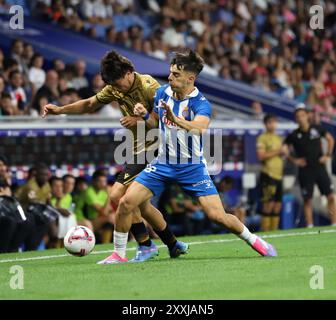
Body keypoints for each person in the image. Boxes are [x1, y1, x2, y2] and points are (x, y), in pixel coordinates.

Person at [98, 50, 277, 264]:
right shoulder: (162, 94)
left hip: (192, 167)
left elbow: (199, 127)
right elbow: (155, 123)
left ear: (190, 79)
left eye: (175, 75)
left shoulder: (200, 103)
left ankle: (255, 240)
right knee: (125, 202)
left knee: (217, 216)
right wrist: (145, 115)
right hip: (162, 163)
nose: (170, 77)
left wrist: (176, 119)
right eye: (170, 73)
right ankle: (119, 254)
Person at [42, 50, 187, 262]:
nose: (117, 88)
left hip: (157, 147)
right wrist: (59, 110)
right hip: (138, 149)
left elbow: (161, 122)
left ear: (129, 73)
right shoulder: (114, 87)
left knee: (117, 196)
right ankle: (173, 244)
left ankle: (144, 245)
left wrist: (137, 120)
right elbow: (90, 104)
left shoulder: (150, 87)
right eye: (113, 85)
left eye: (119, 83)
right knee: (142, 206)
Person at [284, 107, 336, 227]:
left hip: (319, 167)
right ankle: (310, 225)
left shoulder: (316, 129)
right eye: (298, 117)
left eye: (302, 115)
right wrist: (294, 160)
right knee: (307, 199)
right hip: (305, 170)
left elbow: (330, 139)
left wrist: (328, 155)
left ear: (307, 116)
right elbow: (284, 148)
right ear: (296, 119)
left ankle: (334, 223)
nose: (301, 118)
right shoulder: (294, 135)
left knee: (330, 196)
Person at [256, 114, 286, 231]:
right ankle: (266, 231)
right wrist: (278, 151)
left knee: (278, 204)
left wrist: (284, 153)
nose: (272, 125)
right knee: (268, 204)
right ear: (265, 124)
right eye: (269, 122)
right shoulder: (262, 138)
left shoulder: (278, 138)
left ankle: (274, 231)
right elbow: (261, 156)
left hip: (279, 175)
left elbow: (282, 153)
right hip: (268, 174)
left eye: (274, 122)